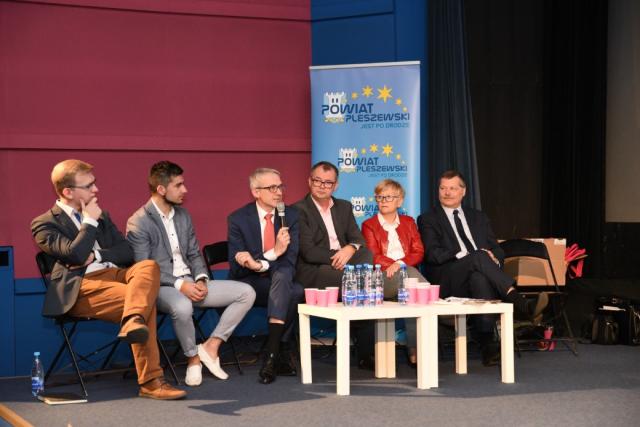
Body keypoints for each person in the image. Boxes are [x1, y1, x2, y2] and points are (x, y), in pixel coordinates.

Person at [31, 159, 186, 400]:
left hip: (115, 276)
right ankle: (151, 382)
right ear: (68, 192)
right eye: (88, 186)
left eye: (95, 183)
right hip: (81, 287)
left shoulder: (102, 216)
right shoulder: (44, 223)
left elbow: (127, 252)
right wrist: (89, 222)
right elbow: (75, 255)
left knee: (148, 266)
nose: (96, 189)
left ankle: (132, 321)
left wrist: (97, 255)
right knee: (143, 302)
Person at [126, 161, 255, 387]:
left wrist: (201, 279)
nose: (185, 190)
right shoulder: (139, 222)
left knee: (246, 293)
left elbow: (194, 254)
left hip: (191, 282)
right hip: (161, 287)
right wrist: (180, 285)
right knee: (183, 306)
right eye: (179, 185)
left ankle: (210, 347)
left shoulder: (183, 215)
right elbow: (144, 268)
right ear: (161, 189)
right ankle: (193, 359)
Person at [417, 169, 549, 366]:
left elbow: (497, 249)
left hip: (479, 275)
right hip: (449, 279)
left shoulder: (478, 217)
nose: (447, 192)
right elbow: (433, 254)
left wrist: (493, 258)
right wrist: (466, 255)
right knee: (478, 256)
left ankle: (488, 345)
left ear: (463, 191)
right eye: (443, 188)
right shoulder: (428, 219)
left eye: (452, 188)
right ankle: (518, 301)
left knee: (479, 276)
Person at [294, 161, 375, 369]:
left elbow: (359, 240)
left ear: (335, 185)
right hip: (315, 270)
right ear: (309, 181)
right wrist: (340, 257)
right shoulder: (298, 210)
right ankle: (365, 353)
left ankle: (365, 352)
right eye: (317, 181)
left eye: (328, 182)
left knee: (365, 254)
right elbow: (308, 252)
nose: (322, 186)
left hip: (344, 265)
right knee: (361, 283)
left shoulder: (344, 207)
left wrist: (350, 248)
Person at [227, 168, 304, 384]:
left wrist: (259, 262)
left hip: (280, 278)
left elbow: (290, 259)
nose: (279, 192)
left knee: (286, 278)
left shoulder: (290, 216)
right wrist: (271, 255)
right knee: (294, 291)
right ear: (256, 192)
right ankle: (281, 350)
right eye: (272, 188)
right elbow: (237, 269)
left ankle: (271, 355)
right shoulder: (238, 219)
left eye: (280, 186)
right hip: (251, 283)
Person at [361, 179, 426, 366]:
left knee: (410, 287)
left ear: (400, 201)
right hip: (381, 277)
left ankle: (415, 348)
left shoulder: (409, 222)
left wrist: (399, 264)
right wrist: (396, 266)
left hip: (405, 274)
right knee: (412, 280)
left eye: (388, 197)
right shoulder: (369, 225)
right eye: (380, 197)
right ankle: (440, 312)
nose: (383, 201)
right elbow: (373, 256)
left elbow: (419, 251)